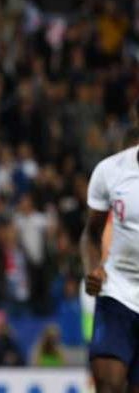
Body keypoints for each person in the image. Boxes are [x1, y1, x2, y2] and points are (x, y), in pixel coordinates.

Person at [81, 119, 139, 391]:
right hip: (117, 293)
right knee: (109, 385)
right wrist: (92, 268)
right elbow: (90, 234)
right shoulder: (110, 171)